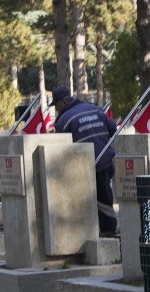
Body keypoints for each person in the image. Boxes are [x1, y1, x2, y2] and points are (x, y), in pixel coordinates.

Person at [50, 88, 120, 236]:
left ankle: (101, 232)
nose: (56, 109)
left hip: (83, 166)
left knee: (85, 200)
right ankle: (108, 230)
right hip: (105, 159)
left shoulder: (63, 120)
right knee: (105, 196)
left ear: (64, 102)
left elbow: (60, 145)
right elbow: (113, 129)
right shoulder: (97, 110)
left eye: (56, 105)